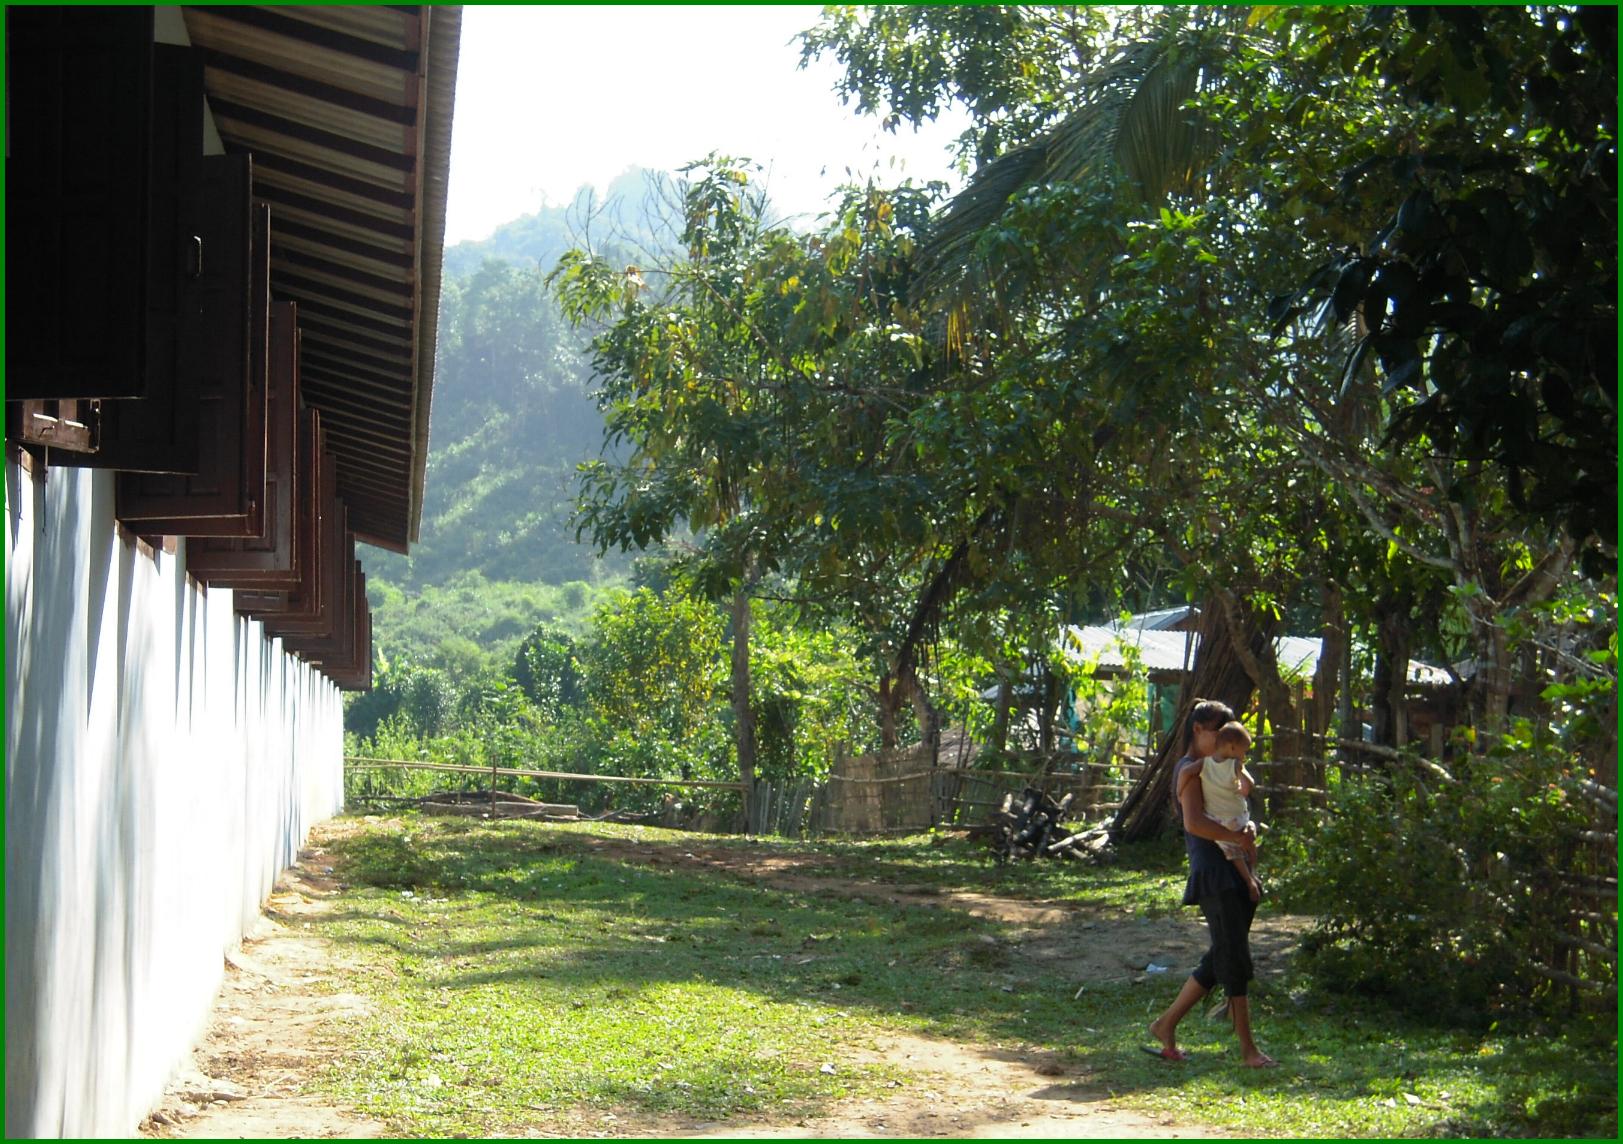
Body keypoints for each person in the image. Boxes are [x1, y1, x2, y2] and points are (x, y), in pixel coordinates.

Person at [1145, 699, 1277, 1068]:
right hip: (1214, 873)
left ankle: (1165, 1024)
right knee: (1233, 957)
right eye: (1219, 733)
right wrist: (1236, 838)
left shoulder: (1225, 768)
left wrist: (1247, 830)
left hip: (1238, 869)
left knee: (1223, 954)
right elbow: (1195, 824)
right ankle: (1248, 1050)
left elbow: (1234, 809)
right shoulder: (1190, 769)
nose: (1225, 742)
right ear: (1198, 730)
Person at [1200, 721, 1262, 902]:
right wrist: (1242, 778)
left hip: (1218, 822)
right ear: (1232, 747)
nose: (1244, 755)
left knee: (1234, 854)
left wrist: (1180, 786)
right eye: (1244, 751)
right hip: (1237, 817)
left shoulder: (1203, 763)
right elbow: (1249, 785)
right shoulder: (1234, 764)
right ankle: (1253, 873)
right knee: (1249, 842)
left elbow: (1187, 771)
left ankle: (1248, 880)